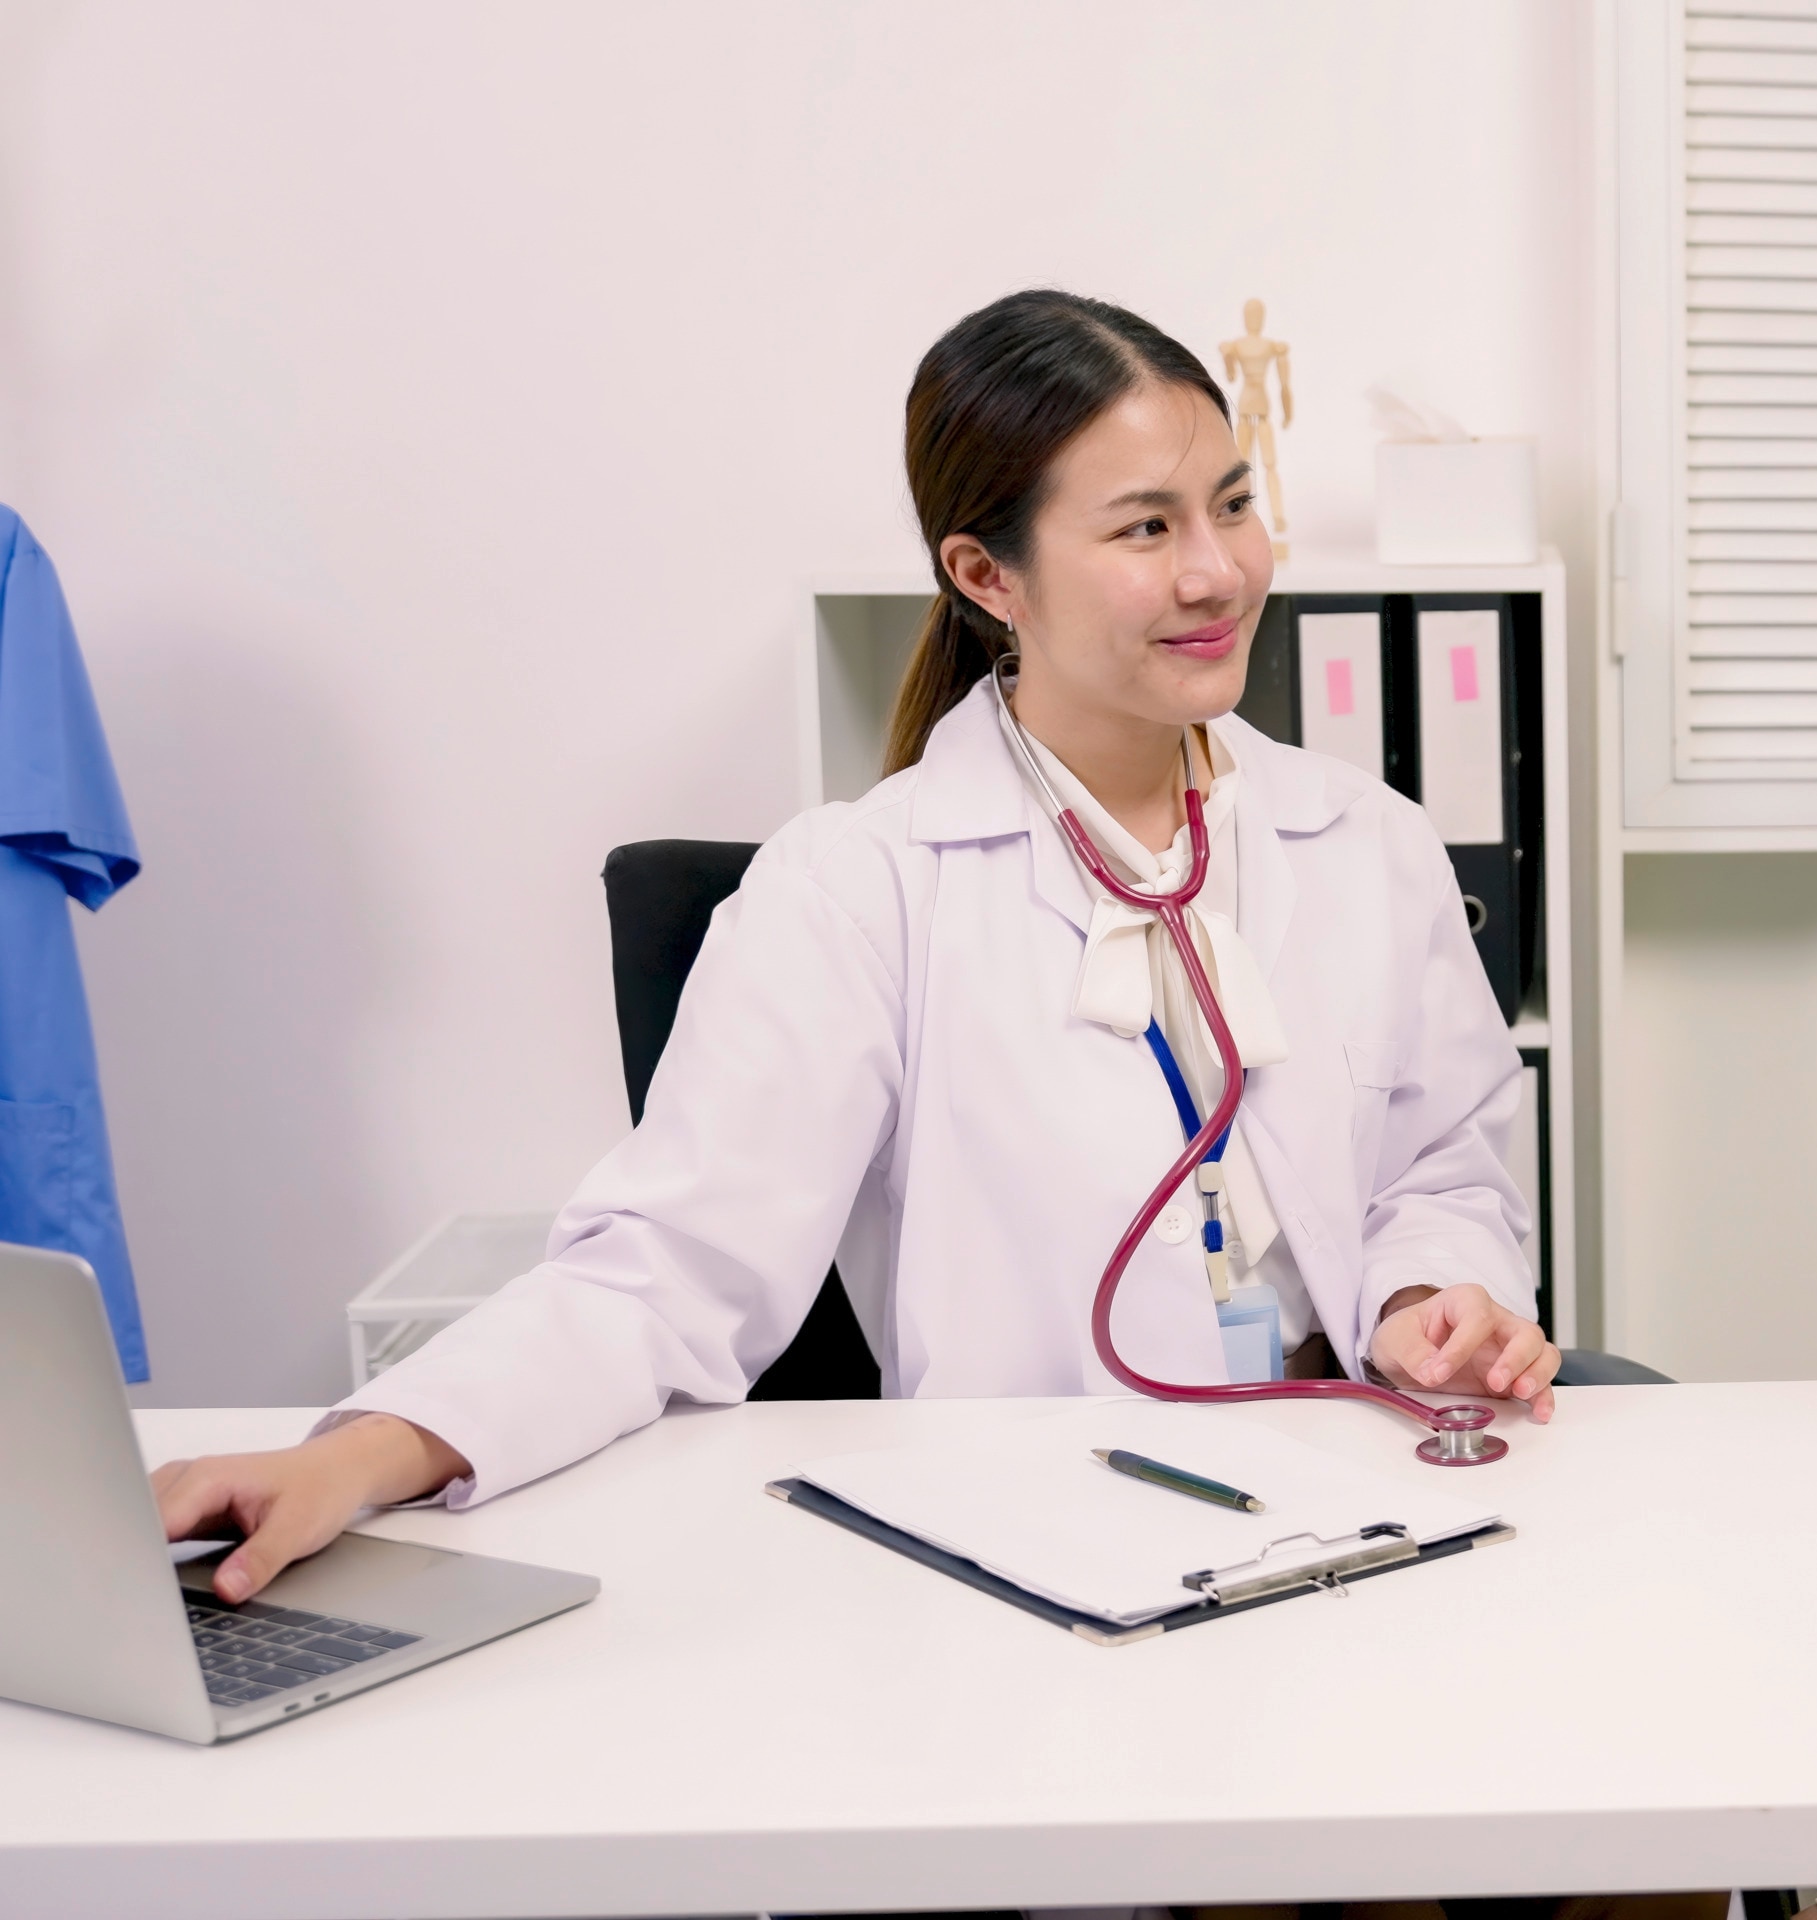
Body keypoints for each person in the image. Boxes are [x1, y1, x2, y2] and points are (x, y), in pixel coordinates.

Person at [148, 288, 1561, 1599]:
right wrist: (350, 1459)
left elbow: (1439, 1169)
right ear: (987, 575)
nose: (1218, 571)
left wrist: (1432, 1298)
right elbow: (662, 1276)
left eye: (1235, 505)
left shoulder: (1361, 843)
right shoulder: (855, 893)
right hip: (1052, 1565)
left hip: (1366, 1513)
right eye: (1144, 529)